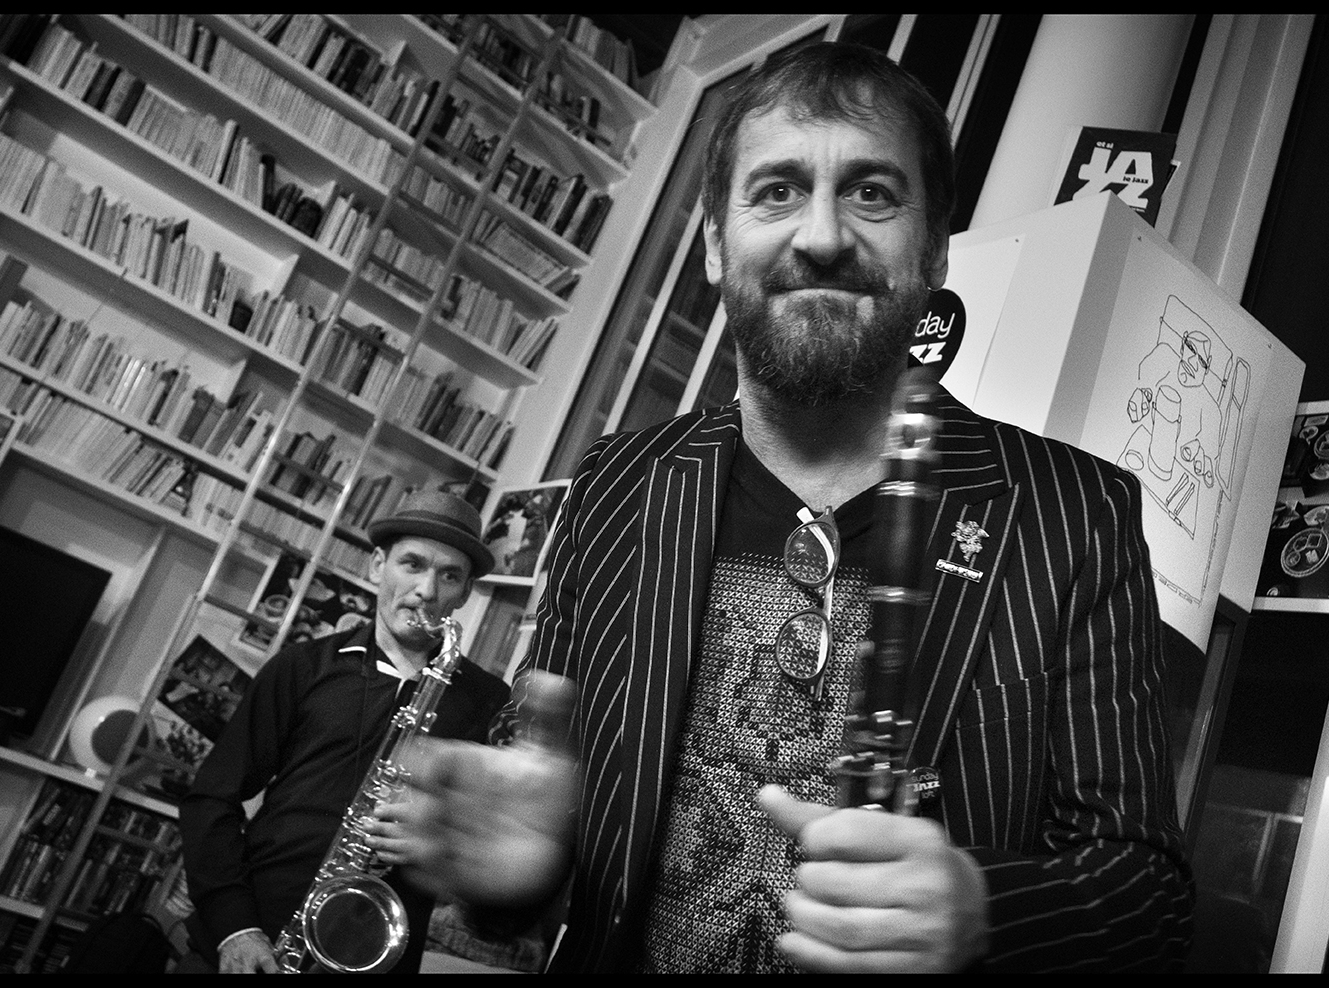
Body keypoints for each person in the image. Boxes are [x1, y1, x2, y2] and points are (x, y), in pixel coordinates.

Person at [364, 43, 1194, 973]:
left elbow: (1147, 896)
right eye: (777, 191)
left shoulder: (1075, 513)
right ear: (715, 243)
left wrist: (985, 912)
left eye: (871, 193)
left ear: (933, 248)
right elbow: (539, 783)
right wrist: (517, 879)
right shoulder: (617, 481)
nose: (822, 235)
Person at [177, 489, 510, 973]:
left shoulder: (489, 701)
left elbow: (494, 853)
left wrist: (439, 845)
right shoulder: (301, 667)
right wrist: (235, 927)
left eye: (449, 575)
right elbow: (211, 798)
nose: (427, 590)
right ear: (377, 566)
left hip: (372, 956)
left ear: (464, 592)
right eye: (412, 564)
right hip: (253, 939)